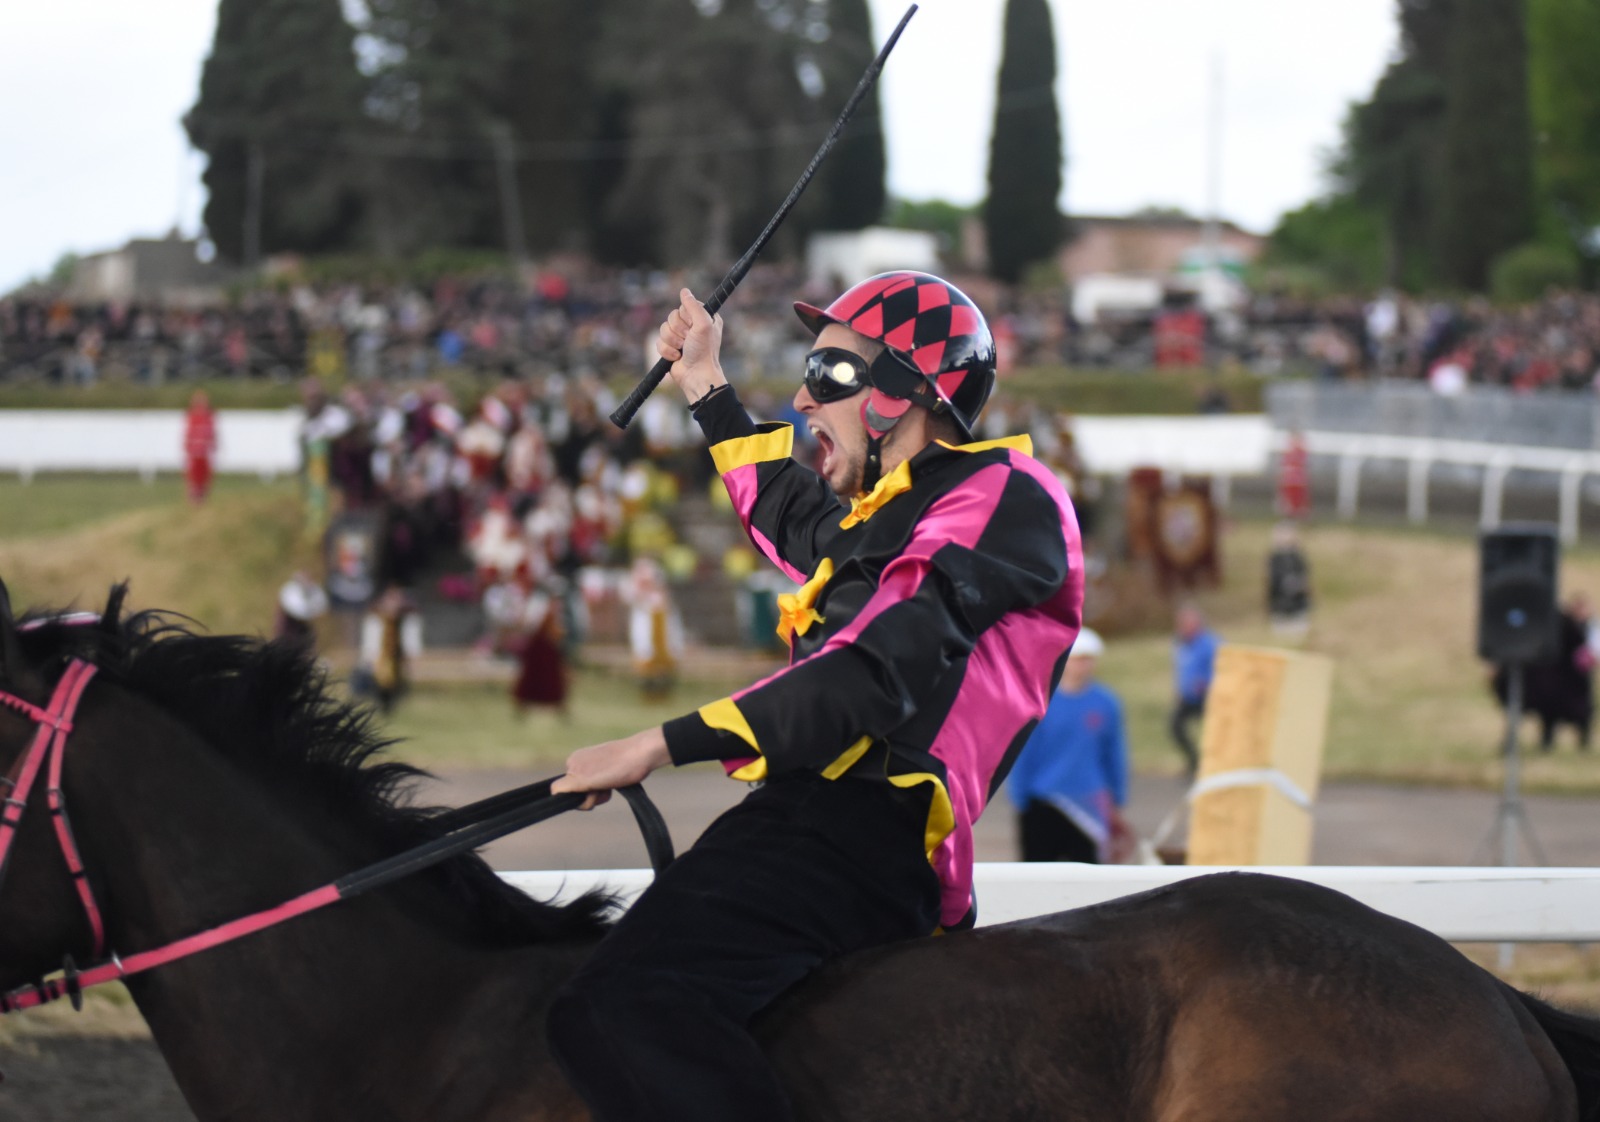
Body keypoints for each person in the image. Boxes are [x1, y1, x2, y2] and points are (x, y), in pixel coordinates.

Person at [546, 272, 1083, 1121]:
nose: (801, 398)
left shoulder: (1003, 494)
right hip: (815, 821)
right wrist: (706, 386)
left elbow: (876, 670)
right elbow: (791, 516)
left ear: (906, 393)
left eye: (830, 376)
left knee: (613, 1010)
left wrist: (658, 744)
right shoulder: (890, 513)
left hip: (863, 829)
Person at [1006, 627, 1132, 863]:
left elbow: (1113, 752)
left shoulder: (1106, 703)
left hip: (1088, 801)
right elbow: (1025, 751)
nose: (1082, 666)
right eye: (1077, 660)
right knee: (1039, 873)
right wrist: (1020, 795)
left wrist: (1117, 797)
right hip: (1044, 800)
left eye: (1088, 660)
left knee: (1087, 875)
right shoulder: (1041, 702)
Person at [1169, 603, 1220, 776]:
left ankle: (1212, 765)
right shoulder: (1180, 644)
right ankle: (1194, 761)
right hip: (1188, 698)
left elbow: (1223, 667)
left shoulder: (1210, 643)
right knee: (1175, 726)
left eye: (1188, 622)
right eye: (1182, 622)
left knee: (1212, 732)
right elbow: (1180, 669)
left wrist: (1207, 683)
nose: (1184, 626)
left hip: (1208, 696)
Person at [1266, 521, 1312, 636]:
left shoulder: (1298, 557)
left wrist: (1299, 586)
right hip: (1280, 605)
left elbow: (1305, 578)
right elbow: (1272, 582)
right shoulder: (1274, 558)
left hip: (1298, 605)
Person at [182, 389, 217, 505]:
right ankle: (193, 502)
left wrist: (213, 444)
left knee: (205, 478)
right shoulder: (192, 416)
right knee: (194, 478)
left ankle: (203, 502)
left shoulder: (209, 417)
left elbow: (212, 433)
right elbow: (188, 434)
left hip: (205, 452)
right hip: (195, 452)